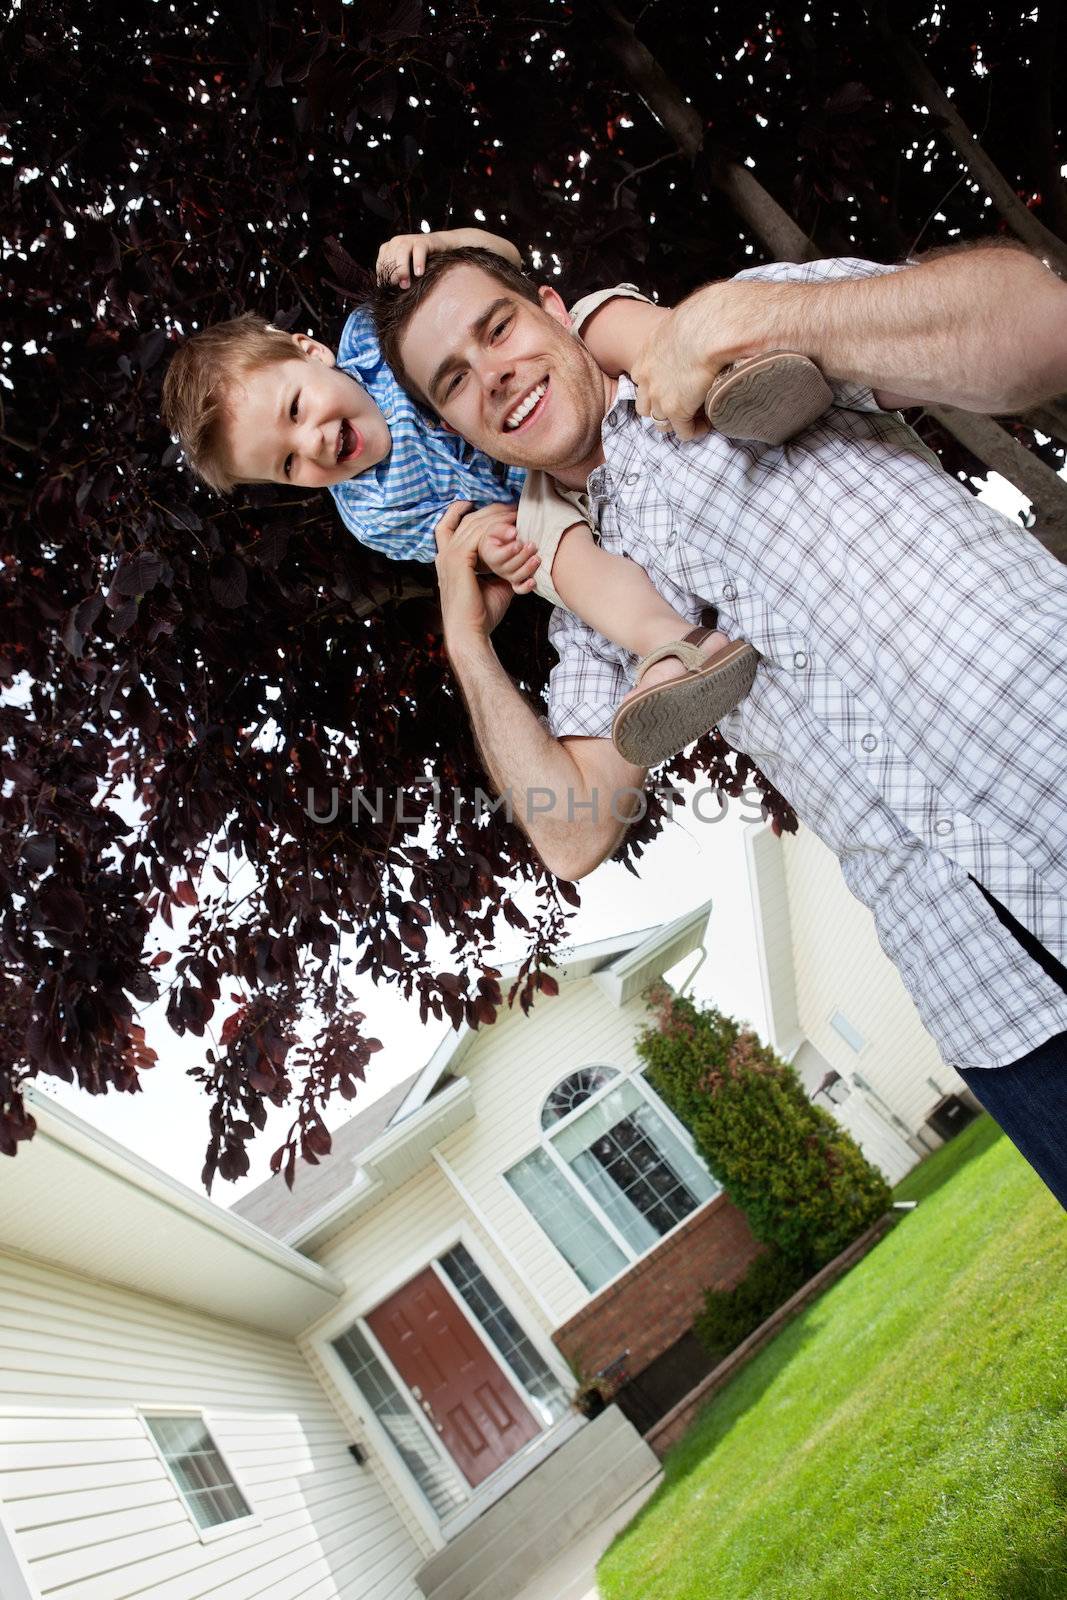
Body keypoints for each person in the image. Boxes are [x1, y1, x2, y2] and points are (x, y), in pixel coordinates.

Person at [371, 239, 1067, 1209]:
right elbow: (568, 832)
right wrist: (464, 639)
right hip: (983, 988)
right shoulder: (583, 595)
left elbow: (1039, 327)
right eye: (454, 382)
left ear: (550, 306)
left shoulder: (744, 326)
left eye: (498, 330)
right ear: (454, 427)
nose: (493, 377)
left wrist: (743, 324)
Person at [159, 229, 830, 766]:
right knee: (549, 548)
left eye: (297, 408)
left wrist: (439, 241)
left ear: (311, 351)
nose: (311, 444)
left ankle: (732, 379)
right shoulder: (371, 513)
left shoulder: (373, 335)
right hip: (539, 481)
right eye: (285, 464)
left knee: (597, 320)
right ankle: (673, 647)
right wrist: (490, 549)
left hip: (563, 384)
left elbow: (498, 267)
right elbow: (469, 537)